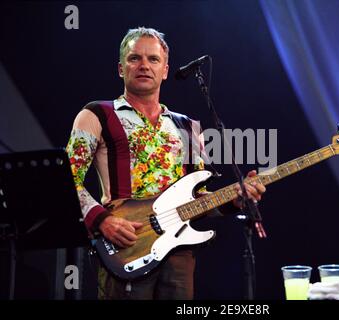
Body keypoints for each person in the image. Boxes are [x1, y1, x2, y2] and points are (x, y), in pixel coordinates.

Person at [66, 27, 266, 300]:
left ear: (165, 70)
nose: (144, 65)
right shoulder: (96, 114)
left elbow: (198, 202)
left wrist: (235, 200)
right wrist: (101, 220)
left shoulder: (187, 126)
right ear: (121, 69)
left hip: (178, 256)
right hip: (126, 246)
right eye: (135, 58)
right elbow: (66, 180)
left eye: (153, 59)